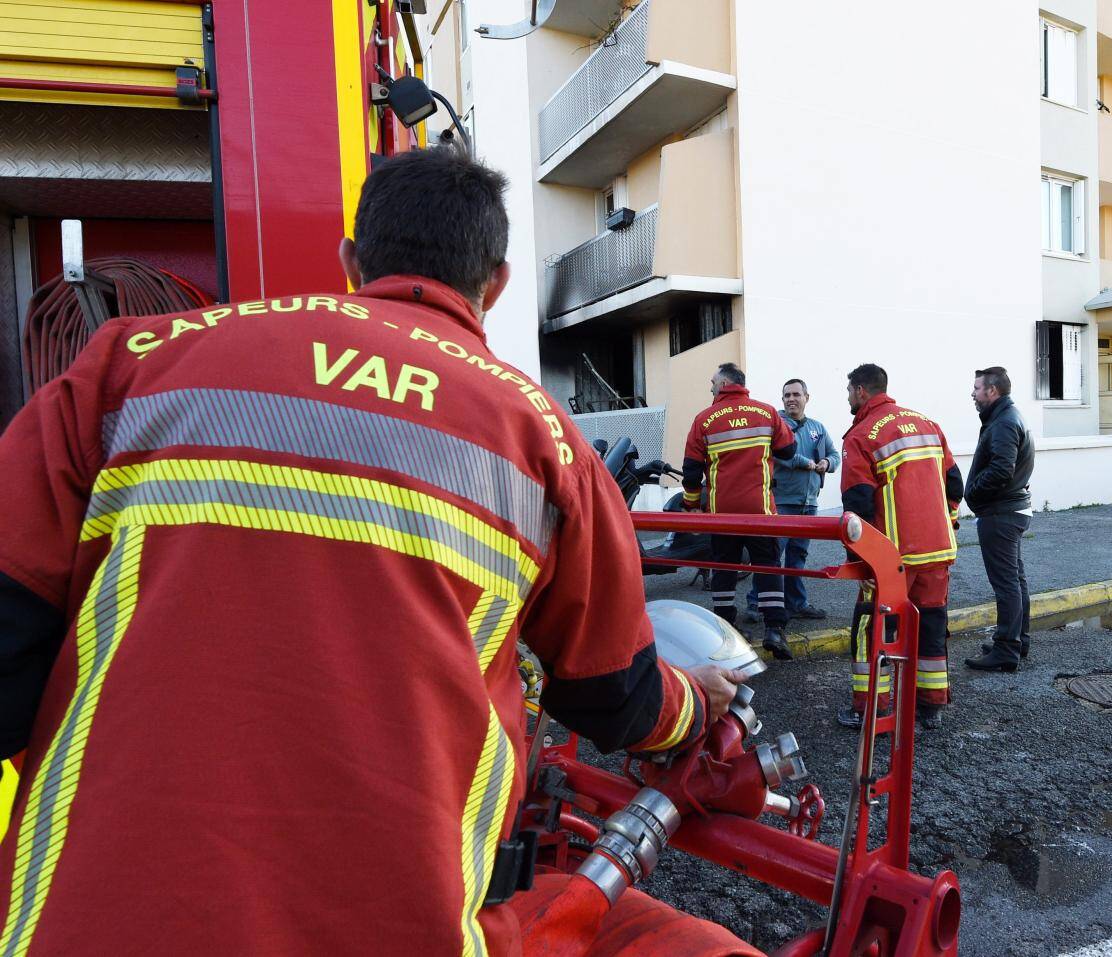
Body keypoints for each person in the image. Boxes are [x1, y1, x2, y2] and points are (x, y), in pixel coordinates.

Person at [0, 147, 752, 955]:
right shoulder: (544, 440)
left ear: (352, 261)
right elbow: (614, 693)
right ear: (494, 283)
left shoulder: (126, 365)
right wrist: (693, 705)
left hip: (91, 919)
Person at [836, 364, 963, 731]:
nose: (848, 398)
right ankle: (931, 705)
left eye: (848, 391)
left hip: (893, 558)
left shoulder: (861, 435)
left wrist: (859, 560)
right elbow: (955, 486)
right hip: (937, 551)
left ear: (860, 391)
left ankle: (871, 707)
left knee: (872, 627)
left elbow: (857, 506)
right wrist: (947, 523)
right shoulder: (927, 424)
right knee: (931, 624)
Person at [682, 363, 798, 660]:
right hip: (761, 512)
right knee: (768, 568)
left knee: (724, 569)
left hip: (723, 516)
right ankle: (774, 629)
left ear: (724, 383)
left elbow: (691, 472)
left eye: (712, 382)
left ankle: (726, 627)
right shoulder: (767, 412)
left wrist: (691, 507)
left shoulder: (704, 420)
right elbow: (788, 451)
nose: (710, 387)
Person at [744, 378, 838, 622]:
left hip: (809, 504)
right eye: (787, 395)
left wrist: (827, 463)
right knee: (771, 556)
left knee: (798, 557)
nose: (791, 399)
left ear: (807, 397)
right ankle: (755, 603)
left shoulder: (818, 427)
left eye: (796, 394)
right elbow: (778, 454)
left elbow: (834, 454)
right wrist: (805, 463)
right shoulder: (776, 424)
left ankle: (796, 603)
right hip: (782, 502)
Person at [963, 367, 1037, 673]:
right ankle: (1017, 639)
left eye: (977, 388)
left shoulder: (1004, 422)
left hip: (1001, 513)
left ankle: (1007, 648)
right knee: (1015, 580)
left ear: (992, 391)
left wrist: (975, 496)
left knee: (1006, 582)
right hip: (1011, 510)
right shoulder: (1006, 417)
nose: (973, 393)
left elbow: (1001, 470)